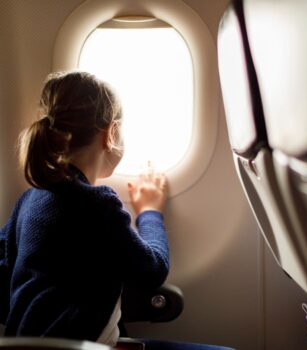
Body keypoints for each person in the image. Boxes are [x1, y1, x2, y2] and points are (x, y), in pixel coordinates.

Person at [0, 71, 233, 350]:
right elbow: (153, 270)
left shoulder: (29, 199)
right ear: (110, 133)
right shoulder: (98, 203)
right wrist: (149, 212)